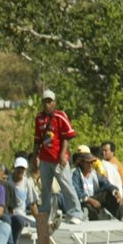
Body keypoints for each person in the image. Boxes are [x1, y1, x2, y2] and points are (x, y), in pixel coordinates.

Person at [31, 89, 84, 225]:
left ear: (54, 102)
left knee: (66, 185)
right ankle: (45, 214)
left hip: (58, 158)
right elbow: (37, 139)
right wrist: (34, 156)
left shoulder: (60, 116)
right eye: (45, 101)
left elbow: (67, 136)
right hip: (45, 158)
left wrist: (63, 154)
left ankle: (75, 212)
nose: (47, 104)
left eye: (50, 101)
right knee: (46, 188)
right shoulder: (39, 118)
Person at [72, 148, 123, 222]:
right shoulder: (76, 174)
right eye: (88, 162)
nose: (91, 164)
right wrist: (90, 200)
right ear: (82, 163)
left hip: (94, 198)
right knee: (88, 208)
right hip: (83, 201)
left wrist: (115, 191)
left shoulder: (94, 173)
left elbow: (106, 184)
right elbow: (76, 192)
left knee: (109, 194)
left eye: (92, 162)